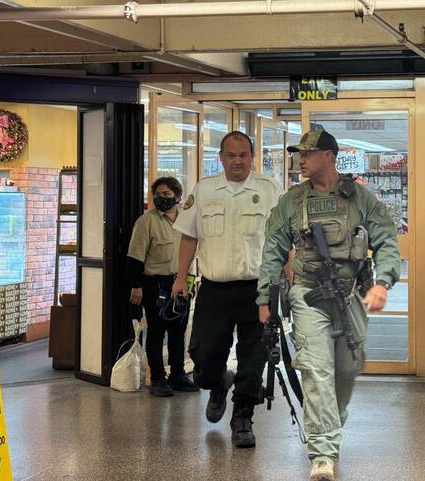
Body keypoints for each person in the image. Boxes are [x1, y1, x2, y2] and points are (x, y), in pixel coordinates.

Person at [256, 128, 401, 481]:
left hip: (350, 295)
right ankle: (322, 452)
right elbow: (272, 251)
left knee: (347, 370)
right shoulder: (291, 202)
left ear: (329, 157)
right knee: (316, 372)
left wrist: (382, 283)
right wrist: (264, 298)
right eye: (299, 154)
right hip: (307, 296)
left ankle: (328, 424)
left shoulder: (359, 198)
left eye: (308, 153)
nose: (301, 159)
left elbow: (386, 240)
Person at [171, 131, 283, 448]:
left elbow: (285, 238)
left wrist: (289, 272)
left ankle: (243, 419)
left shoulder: (269, 190)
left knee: (254, 358)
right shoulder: (205, 190)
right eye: (231, 155)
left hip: (257, 290)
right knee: (203, 360)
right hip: (214, 290)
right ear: (221, 157)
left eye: (243, 155)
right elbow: (189, 236)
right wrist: (181, 278)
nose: (237, 160)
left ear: (252, 157)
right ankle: (219, 381)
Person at [127, 176, 199, 397]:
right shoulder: (146, 221)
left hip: (181, 283)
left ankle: (178, 374)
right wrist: (136, 287)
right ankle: (157, 378)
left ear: (178, 197)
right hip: (155, 285)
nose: (161, 198)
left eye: (167, 194)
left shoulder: (186, 221)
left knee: (178, 331)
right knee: (157, 333)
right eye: (158, 194)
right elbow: (135, 258)